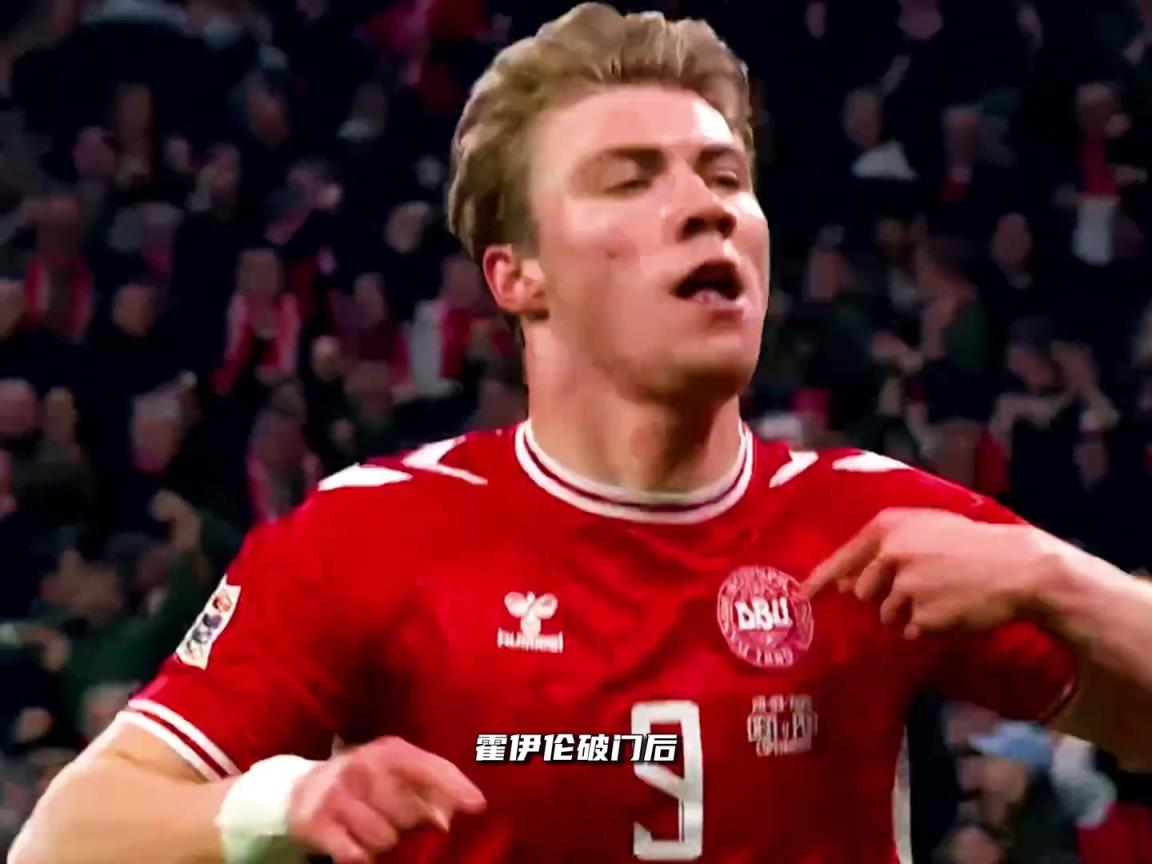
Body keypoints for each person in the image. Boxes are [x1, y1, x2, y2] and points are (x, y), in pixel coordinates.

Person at [11, 4, 1152, 864]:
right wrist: (279, 803)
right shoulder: (370, 538)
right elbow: (65, 836)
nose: (706, 205)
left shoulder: (878, 525)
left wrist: (1054, 576)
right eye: (630, 179)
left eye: (725, 175)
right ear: (518, 275)